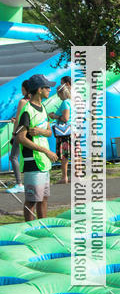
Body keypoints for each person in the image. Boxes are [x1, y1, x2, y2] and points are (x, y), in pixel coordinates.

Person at [14, 74, 58, 221]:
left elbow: (49, 132)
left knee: (43, 199)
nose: (49, 90)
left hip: (43, 162)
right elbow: (20, 137)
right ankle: (30, 231)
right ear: (39, 89)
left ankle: (43, 228)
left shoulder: (43, 108)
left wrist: (40, 131)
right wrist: (46, 151)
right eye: (47, 87)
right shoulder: (27, 111)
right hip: (32, 161)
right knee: (32, 201)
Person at [5, 80, 31, 193]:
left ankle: (19, 183)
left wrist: (14, 133)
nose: (21, 90)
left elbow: (19, 119)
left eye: (22, 88)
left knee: (13, 157)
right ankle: (29, 182)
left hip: (20, 132)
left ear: (25, 89)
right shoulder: (35, 101)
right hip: (30, 132)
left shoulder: (23, 101)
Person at [49, 79, 71, 184]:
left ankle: (64, 177)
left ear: (61, 93)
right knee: (74, 154)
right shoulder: (71, 101)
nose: (58, 96)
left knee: (64, 156)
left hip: (65, 133)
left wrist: (54, 116)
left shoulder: (65, 103)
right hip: (73, 131)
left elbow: (65, 118)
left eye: (58, 94)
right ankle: (76, 176)